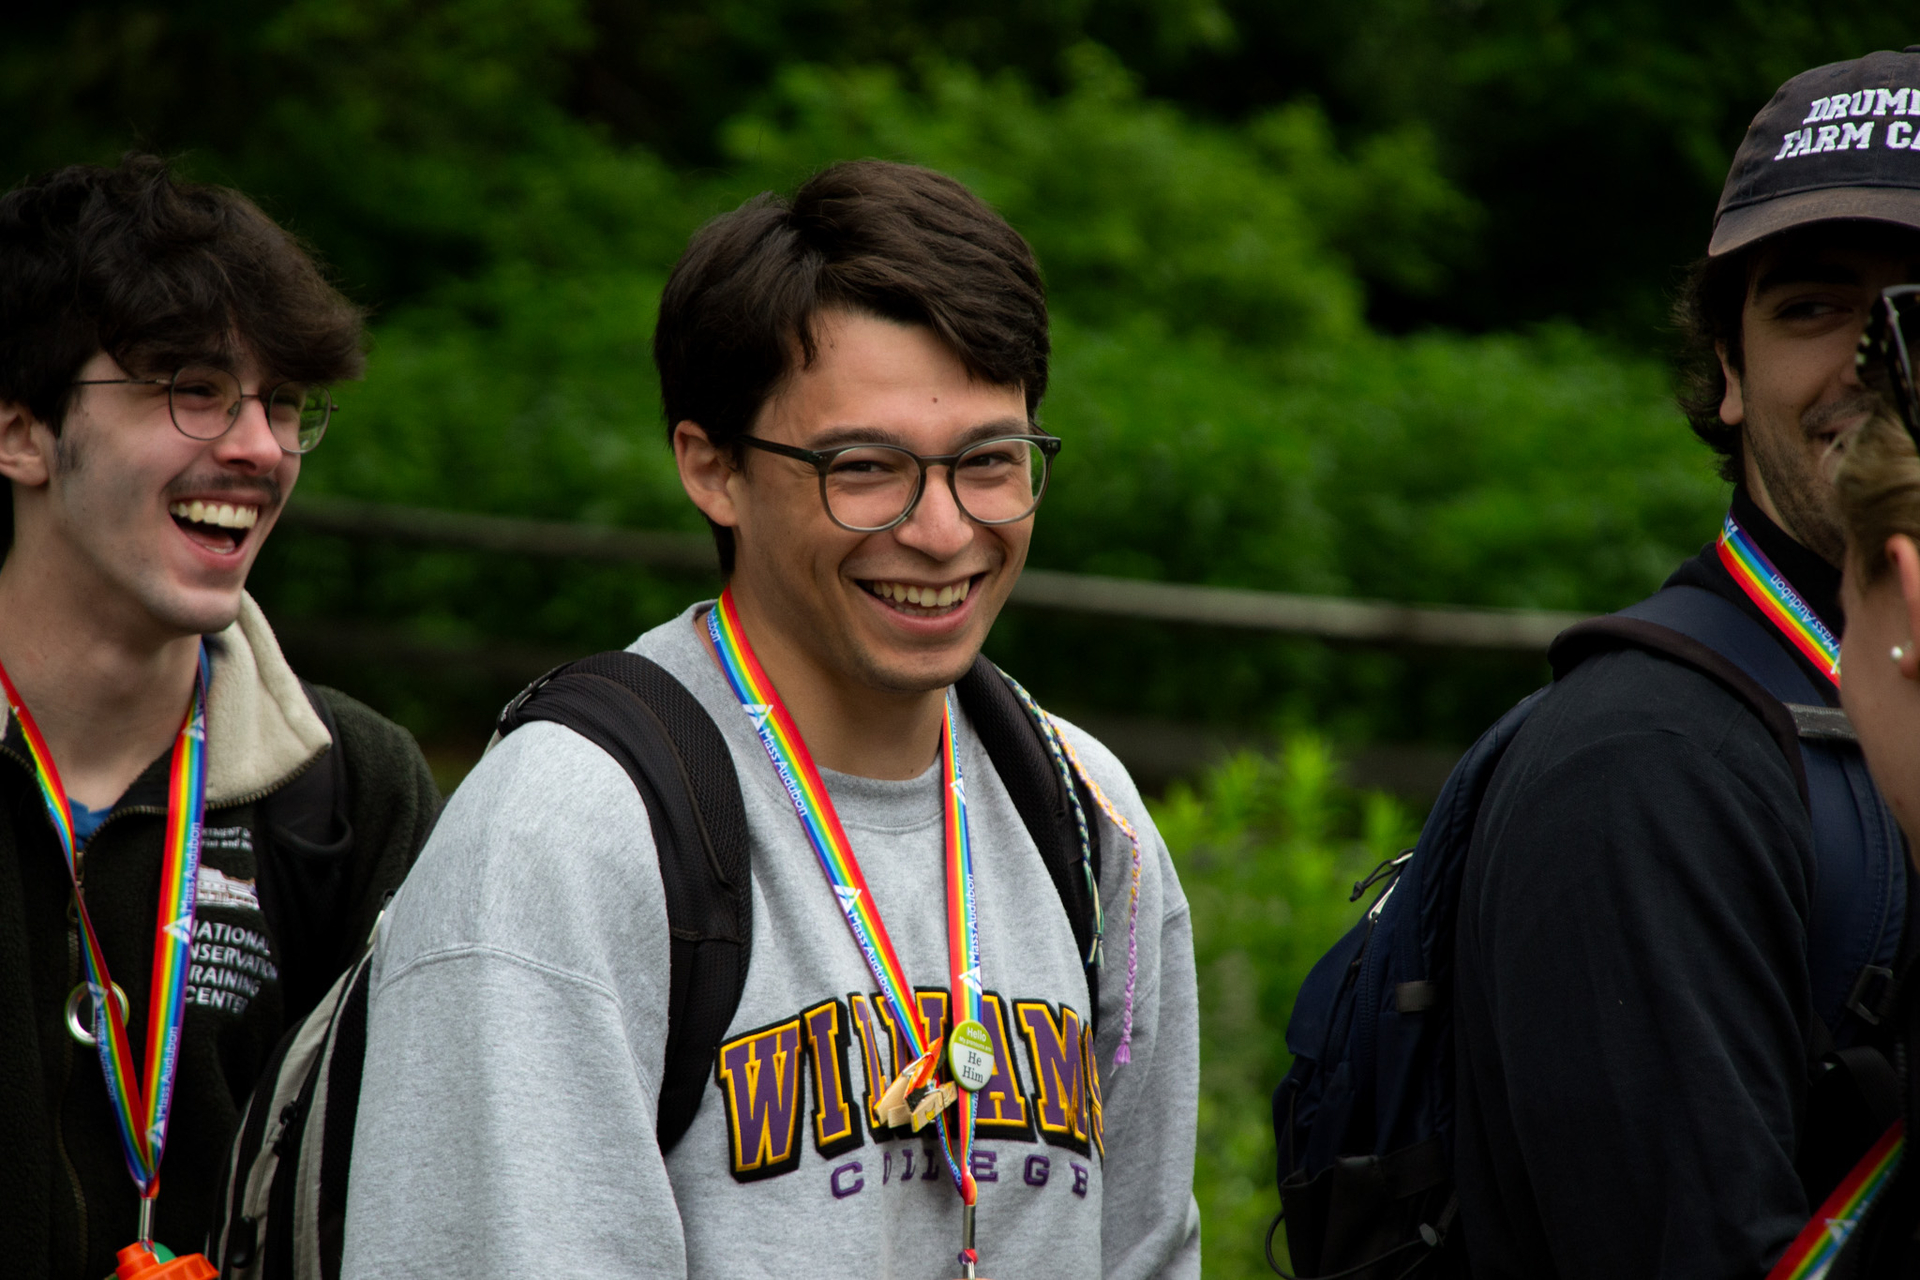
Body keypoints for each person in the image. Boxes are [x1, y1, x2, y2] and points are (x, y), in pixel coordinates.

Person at [341, 160, 1201, 1279]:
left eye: (990, 461)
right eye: (865, 467)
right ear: (712, 468)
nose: (942, 531)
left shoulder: (1090, 818)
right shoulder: (563, 835)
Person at [1451, 49, 1920, 1278]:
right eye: (1815, 307)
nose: (1875, 359)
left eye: (1919, 305)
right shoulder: (1645, 769)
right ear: (1726, 367)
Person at [0, 155, 441, 1278]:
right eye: (193, 388)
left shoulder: (357, 792)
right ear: (20, 432)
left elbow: (410, 1202)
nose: (257, 446)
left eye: (284, 402)